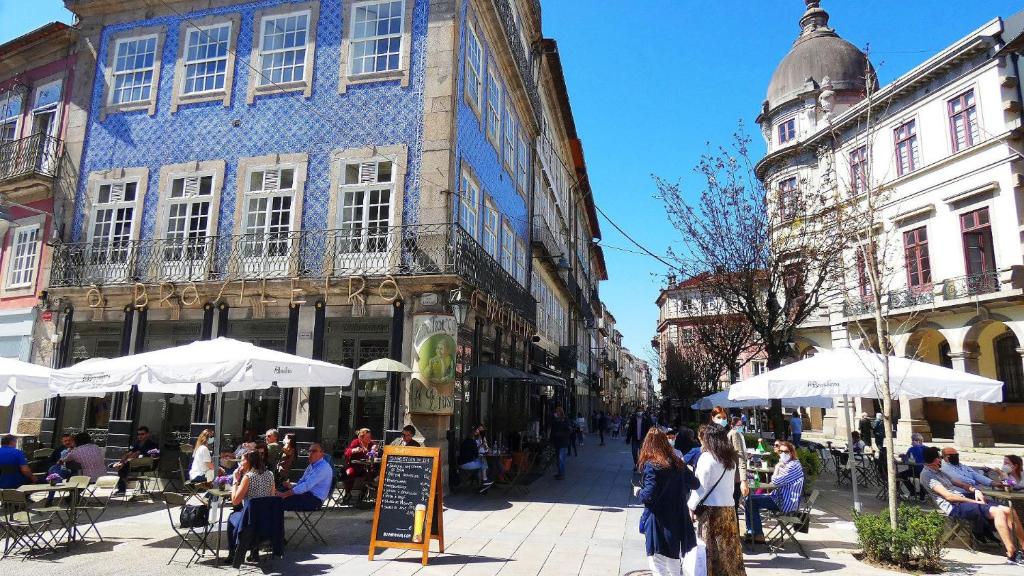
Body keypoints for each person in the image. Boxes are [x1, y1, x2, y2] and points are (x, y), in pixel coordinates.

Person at [920, 446, 1024, 564]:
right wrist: (976, 501)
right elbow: (949, 496)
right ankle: (1011, 554)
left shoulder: (943, 471)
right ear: (936, 460)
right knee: (998, 511)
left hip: (966, 497)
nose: (942, 460)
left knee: (1009, 510)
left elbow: (963, 484)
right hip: (955, 505)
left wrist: (976, 490)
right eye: (940, 457)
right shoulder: (930, 474)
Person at [637, 427, 699, 576]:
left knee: (657, 562)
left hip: (658, 519)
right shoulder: (678, 462)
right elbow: (695, 483)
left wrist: (638, 492)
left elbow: (648, 495)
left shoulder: (652, 465)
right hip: (677, 517)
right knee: (673, 559)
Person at [690, 424, 746, 576]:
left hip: (711, 512)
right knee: (729, 552)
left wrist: (691, 506)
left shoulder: (707, 457)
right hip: (728, 510)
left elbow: (700, 487)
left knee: (710, 551)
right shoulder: (730, 459)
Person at [745, 440, 804, 543]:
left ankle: (757, 534)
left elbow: (775, 481)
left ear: (791, 452)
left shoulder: (792, 466)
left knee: (750, 501)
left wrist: (777, 467)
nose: (783, 454)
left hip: (785, 502)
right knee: (749, 499)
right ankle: (752, 532)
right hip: (780, 497)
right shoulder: (789, 464)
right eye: (781, 451)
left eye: (786, 452)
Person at [225, 450, 276, 565]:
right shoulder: (270, 474)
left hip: (249, 519)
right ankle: (254, 552)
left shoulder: (248, 477)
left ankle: (233, 553)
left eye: (242, 460)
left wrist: (235, 481)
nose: (240, 462)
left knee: (232, 516)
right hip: (265, 517)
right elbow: (272, 497)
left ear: (249, 461)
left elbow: (235, 501)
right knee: (244, 514)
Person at [278, 442, 331, 511]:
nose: (310, 453)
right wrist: (292, 486)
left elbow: (306, 485)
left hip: (314, 500)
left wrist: (284, 494)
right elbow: (302, 481)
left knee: (278, 501)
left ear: (322, 453)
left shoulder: (323, 468)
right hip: (306, 494)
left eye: (314, 451)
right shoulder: (311, 466)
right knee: (279, 491)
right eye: (310, 451)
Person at [113, 426, 158, 493]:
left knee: (125, 465)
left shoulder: (152, 444)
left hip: (148, 464)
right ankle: (122, 488)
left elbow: (152, 456)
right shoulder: (138, 443)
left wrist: (126, 461)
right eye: (138, 434)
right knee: (121, 466)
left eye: (142, 434)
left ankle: (122, 489)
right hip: (138, 463)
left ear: (147, 434)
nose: (140, 436)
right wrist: (121, 461)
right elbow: (129, 453)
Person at [342, 428, 376, 502]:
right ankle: (348, 493)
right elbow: (347, 453)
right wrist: (353, 450)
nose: (370, 438)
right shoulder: (356, 442)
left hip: (366, 467)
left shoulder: (371, 444)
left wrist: (375, 451)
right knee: (349, 473)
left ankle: (363, 493)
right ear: (361, 437)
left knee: (370, 474)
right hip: (354, 466)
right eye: (367, 437)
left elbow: (375, 454)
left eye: (370, 437)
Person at [458, 425, 494, 493]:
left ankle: (483, 484)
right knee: (483, 461)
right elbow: (476, 454)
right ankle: (484, 480)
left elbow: (472, 453)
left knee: (482, 463)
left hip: (461, 463)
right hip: (467, 464)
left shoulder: (465, 441)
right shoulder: (473, 442)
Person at [727, 416, 750, 508]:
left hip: (735, 472)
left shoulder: (735, 433)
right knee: (735, 501)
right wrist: (743, 479)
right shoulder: (735, 433)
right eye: (739, 425)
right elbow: (739, 456)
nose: (741, 427)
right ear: (732, 425)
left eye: (741, 425)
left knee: (735, 502)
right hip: (737, 474)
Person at [897, 432, 927, 500]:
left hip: (916, 471)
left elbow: (906, 461)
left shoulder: (912, 449)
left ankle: (912, 491)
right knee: (920, 478)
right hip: (926, 471)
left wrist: (903, 457)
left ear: (917, 441)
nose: (911, 443)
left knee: (901, 475)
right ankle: (921, 496)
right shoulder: (927, 448)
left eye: (912, 440)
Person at [550, 407, 573, 480]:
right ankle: (559, 472)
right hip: (557, 442)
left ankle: (562, 474)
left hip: (563, 442)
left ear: (561, 412)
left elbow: (569, 431)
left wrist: (560, 434)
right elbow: (553, 430)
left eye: (558, 411)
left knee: (561, 458)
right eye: (556, 411)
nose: (556, 413)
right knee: (558, 459)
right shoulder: (556, 420)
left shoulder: (565, 420)